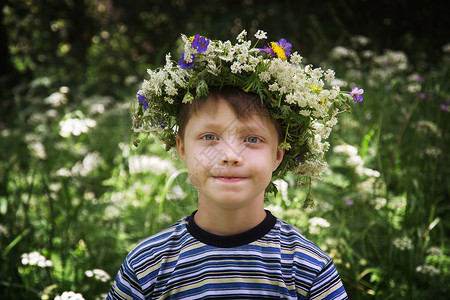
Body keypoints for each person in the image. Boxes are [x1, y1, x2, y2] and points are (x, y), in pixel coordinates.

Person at [107, 30, 362, 299]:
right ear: (182, 147)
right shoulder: (146, 267)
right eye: (209, 137)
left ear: (278, 154)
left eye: (252, 138)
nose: (230, 155)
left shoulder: (308, 270)